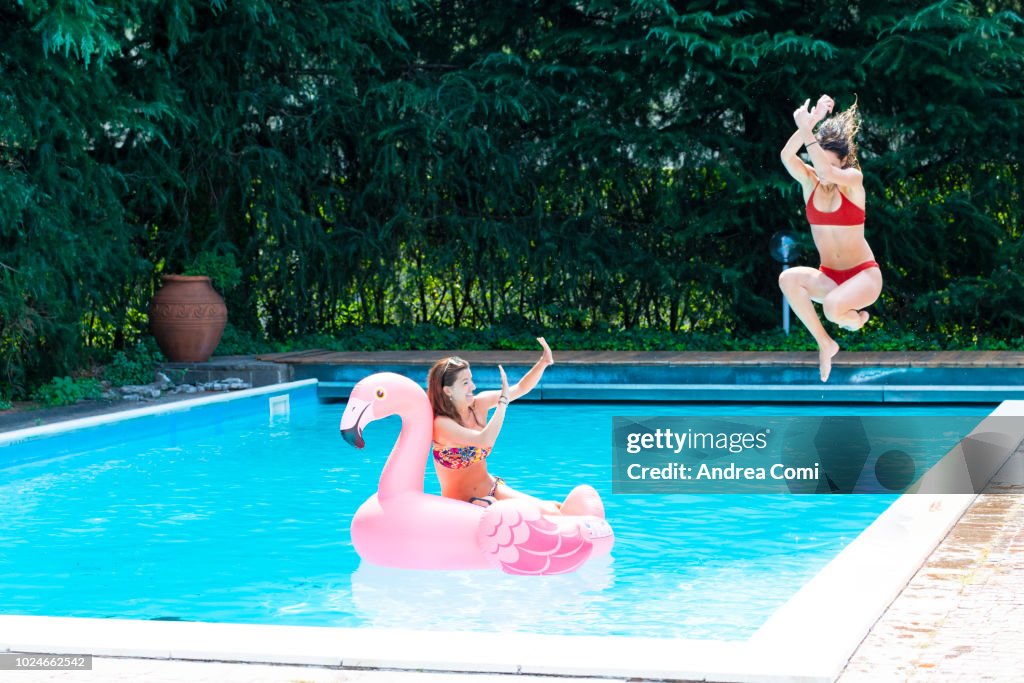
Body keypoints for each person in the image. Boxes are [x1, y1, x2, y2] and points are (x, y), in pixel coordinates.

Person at [779, 95, 882, 382]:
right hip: (831, 277)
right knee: (787, 280)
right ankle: (826, 343)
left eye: (830, 165)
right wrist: (808, 123)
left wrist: (806, 129)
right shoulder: (810, 182)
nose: (823, 173)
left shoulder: (852, 181)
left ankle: (856, 319)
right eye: (818, 160)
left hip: (864, 276)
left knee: (833, 307)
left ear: (843, 163)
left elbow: (826, 170)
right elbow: (787, 157)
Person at [427, 338, 559, 512]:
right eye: (465, 383)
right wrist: (502, 402)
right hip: (462, 504)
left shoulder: (478, 404)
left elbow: (520, 388)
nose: (472, 387)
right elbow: (484, 440)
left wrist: (543, 362)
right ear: (448, 390)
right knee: (545, 514)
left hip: (491, 489)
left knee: (555, 509)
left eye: (471, 380)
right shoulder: (442, 424)